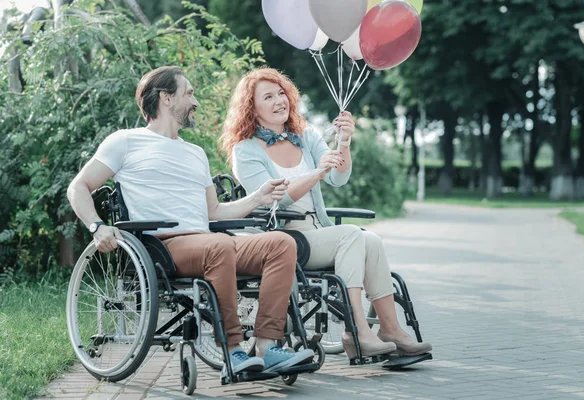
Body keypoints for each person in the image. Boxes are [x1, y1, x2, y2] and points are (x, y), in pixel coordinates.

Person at [67, 66, 314, 378]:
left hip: (208, 241)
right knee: (219, 245)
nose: (196, 101)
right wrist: (96, 226)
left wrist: (256, 198)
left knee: (281, 243)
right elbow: (78, 187)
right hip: (163, 247)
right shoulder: (125, 142)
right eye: (189, 93)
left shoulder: (195, 152)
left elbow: (214, 213)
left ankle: (267, 346)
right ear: (167, 98)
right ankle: (234, 350)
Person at [221, 67, 432, 359]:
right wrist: (317, 172)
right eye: (268, 97)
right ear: (252, 108)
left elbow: (337, 177)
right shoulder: (245, 150)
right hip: (282, 237)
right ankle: (356, 330)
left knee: (371, 239)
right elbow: (276, 201)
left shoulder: (305, 136)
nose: (279, 100)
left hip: (316, 230)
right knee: (351, 236)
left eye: (281, 93)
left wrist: (343, 142)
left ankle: (390, 329)